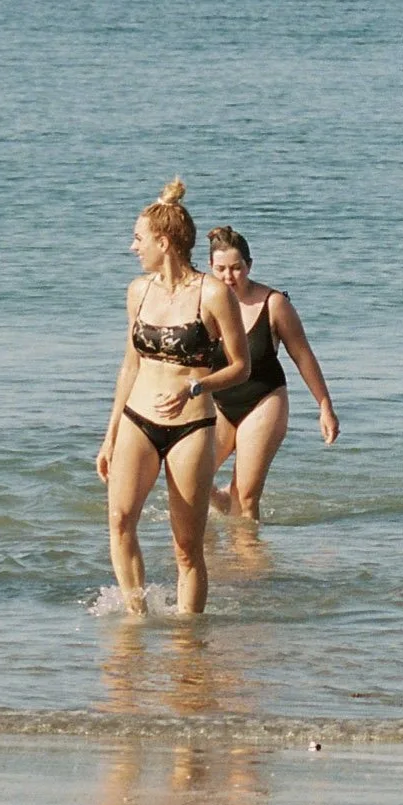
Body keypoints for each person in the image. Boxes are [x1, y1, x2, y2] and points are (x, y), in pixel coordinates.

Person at [95, 180, 250, 617]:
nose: (132, 247)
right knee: (121, 522)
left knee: (187, 547)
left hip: (192, 425)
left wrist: (194, 386)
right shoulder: (138, 291)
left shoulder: (212, 293)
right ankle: (135, 619)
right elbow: (130, 365)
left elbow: (242, 366)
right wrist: (109, 437)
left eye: (138, 238)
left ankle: (188, 644)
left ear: (164, 242)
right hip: (136, 420)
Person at [205, 224, 340, 518]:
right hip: (218, 404)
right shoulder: (203, 303)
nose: (229, 277)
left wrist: (325, 406)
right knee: (192, 480)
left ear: (249, 265)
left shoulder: (274, 304)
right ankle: (219, 511)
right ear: (209, 268)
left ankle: (249, 560)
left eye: (237, 268)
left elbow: (303, 356)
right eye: (221, 269)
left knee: (247, 497)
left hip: (263, 400)